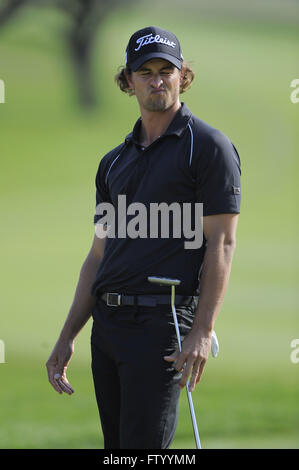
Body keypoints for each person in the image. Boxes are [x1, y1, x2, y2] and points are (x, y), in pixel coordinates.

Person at [46, 26, 241, 449]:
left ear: (182, 76)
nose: (157, 80)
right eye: (146, 71)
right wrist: (67, 336)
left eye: (166, 70)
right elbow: (99, 256)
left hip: (164, 326)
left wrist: (203, 331)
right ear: (128, 81)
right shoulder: (114, 162)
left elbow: (221, 244)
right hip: (108, 327)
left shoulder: (207, 148)